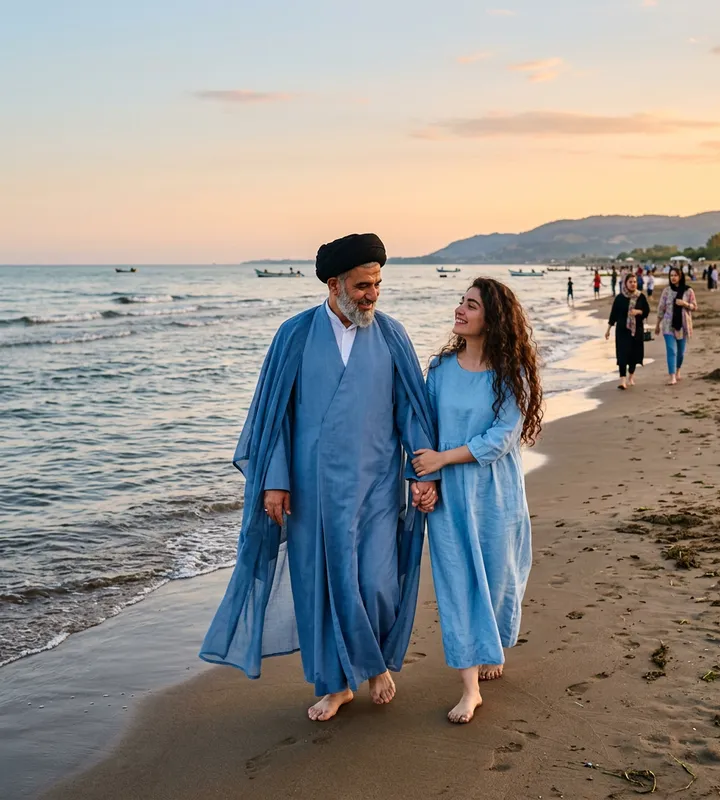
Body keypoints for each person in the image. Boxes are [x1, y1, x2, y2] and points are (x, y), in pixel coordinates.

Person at [200, 233, 440, 722]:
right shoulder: (294, 335)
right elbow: (275, 419)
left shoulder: (392, 334)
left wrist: (421, 468)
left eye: (376, 284)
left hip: (375, 486)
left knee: (375, 583)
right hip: (310, 490)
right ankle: (336, 686)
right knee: (321, 588)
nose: (371, 294)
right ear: (334, 285)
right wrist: (274, 480)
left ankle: (372, 664)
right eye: (361, 286)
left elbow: (410, 411)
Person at [411, 278, 541, 724]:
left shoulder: (511, 373)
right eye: (461, 302)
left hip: (495, 493)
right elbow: (424, 428)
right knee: (458, 585)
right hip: (450, 497)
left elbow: (502, 437)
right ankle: (469, 689)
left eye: (471, 305)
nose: (460, 310)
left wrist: (443, 458)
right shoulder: (440, 369)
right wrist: (421, 479)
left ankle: (492, 645)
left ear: (493, 319)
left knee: (499, 576)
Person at [606, 272, 650, 390]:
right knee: (622, 355)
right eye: (630, 282)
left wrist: (638, 312)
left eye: (634, 282)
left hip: (637, 331)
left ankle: (631, 376)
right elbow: (613, 314)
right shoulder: (620, 298)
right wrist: (608, 329)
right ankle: (622, 381)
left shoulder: (641, 296)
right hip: (622, 330)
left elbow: (646, 311)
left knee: (634, 355)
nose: (633, 284)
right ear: (625, 283)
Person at [655, 266, 698, 386]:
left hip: (683, 325)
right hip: (668, 325)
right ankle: (672, 376)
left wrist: (685, 304)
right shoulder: (666, 291)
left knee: (681, 352)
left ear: (680, 276)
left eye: (675, 275)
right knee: (671, 350)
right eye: (671, 275)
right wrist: (658, 324)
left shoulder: (688, 291)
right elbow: (661, 308)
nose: (673, 278)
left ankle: (678, 370)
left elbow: (695, 307)